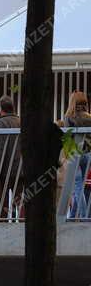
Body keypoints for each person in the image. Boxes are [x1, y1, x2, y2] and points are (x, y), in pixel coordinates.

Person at [59, 91, 91, 220]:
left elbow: (67, 139)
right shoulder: (89, 117)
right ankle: (75, 216)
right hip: (88, 154)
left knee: (76, 187)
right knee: (82, 186)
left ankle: (84, 217)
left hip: (74, 153)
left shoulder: (68, 118)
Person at [0, 95, 21, 219]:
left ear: (0, 109)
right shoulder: (21, 122)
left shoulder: (0, 123)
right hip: (20, 170)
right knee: (22, 204)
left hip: (4, 171)